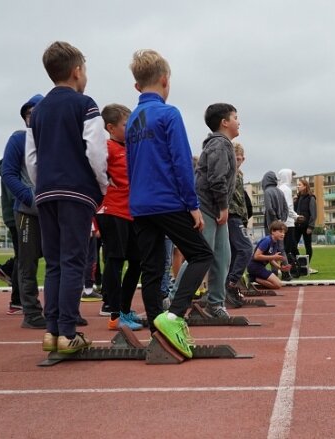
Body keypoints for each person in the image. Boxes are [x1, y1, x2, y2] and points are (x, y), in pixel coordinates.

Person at [126, 49, 213, 358]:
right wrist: (192, 204)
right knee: (202, 255)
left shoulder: (133, 119)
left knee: (151, 269)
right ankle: (174, 316)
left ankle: (156, 333)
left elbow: (131, 163)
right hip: (167, 201)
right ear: (165, 80)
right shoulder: (169, 113)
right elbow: (181, 161)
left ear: (137, 86)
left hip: (140, 204)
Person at [25, 41, 107, 354]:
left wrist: (41, 186)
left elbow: (31, 157)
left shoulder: (38, 111)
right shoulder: (85, 104)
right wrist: (101, 185)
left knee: (56, 262)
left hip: (45, 191)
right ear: (76, 72)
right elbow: (96, 150)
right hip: (76, 190)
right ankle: (69, 331)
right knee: (75, 260)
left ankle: (52, 330)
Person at [178, 102, 239, 319]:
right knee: (200, 255)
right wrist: (223, 207)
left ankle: (215, 303)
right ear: (224, 122)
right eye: (235, 117)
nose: (238, 122)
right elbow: (216, 178)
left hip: (215, 208)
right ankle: (175, 300)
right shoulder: (219, 145)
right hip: (207, 206)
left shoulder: (223, 145)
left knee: (223, 257)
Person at [1, 94, 48, 329]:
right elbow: (8, 173)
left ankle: (58, 309)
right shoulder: (18, 139)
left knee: (57, 261)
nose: (33, 117)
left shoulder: (53, 139)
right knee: (27, 262)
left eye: (37, 112)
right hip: (27, 212)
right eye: (29, 113)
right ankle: (31, 312)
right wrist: (29, 197)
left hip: (52, 210)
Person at [96, 103, 143, 331]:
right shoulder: (107, 147)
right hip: (112, 211)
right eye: (126, 125)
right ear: (111, 127)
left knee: (137, 262)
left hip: (130, 212)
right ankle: (114, 313)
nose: (131, 128)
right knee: (115, 261)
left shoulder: (130, 147)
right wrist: (105, 184)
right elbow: (92, 168)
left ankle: (124, 308)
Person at [225, 142, 253, 308]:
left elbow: (241, 199)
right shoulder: (228, 172)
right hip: (231, 215)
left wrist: (245, 216)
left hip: (238, 216)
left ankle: (228, 286)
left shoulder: (239, 173)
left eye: (241, 158)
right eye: (236, 158)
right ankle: (231, 282)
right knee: (246, 249)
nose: (239, 160)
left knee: (235, 252)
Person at [0, 158, 22, 315]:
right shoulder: (11, 166)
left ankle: (5, 269)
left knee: (24, 256)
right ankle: (17, 301)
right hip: (19, 215)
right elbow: (15, 194)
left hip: (16, 215)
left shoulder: (10, 166)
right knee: (24, 257)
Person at [246, 220, 288, 290]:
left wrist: (280, 267)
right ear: (273, 231)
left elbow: (270, 259)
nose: (283, 234)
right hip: (254, 266)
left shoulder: (275, 243)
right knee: (278, 285)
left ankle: (253, 277)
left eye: (284, 232)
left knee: (277, 284)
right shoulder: (267, 240)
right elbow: (256, 256)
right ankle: (252, 278)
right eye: (280, 232)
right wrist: (274, 256)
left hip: (260, 267)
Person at [277, 169, 299, 278]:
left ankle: (289, 270)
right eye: (291, 175)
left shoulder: (279, 188)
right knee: (288, 249)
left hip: (281, 222)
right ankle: (289, 272)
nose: (292, 178)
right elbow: (288, 207)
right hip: (288, 223)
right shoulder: (286, 189)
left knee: (285, 248)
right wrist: (297, 217)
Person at [293, 177, 316, 272]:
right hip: (296, 226)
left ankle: (307, 266)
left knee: (308, 246)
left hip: (306, 227)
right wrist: (294, 201)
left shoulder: (311, 198)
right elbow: (293, 212)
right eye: (297, 185)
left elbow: (313, 213)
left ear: (305, 186)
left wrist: (311, 226)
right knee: (293, 245)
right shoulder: (297, 198)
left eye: (300, 185)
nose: (298, 186)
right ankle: (298, 264)